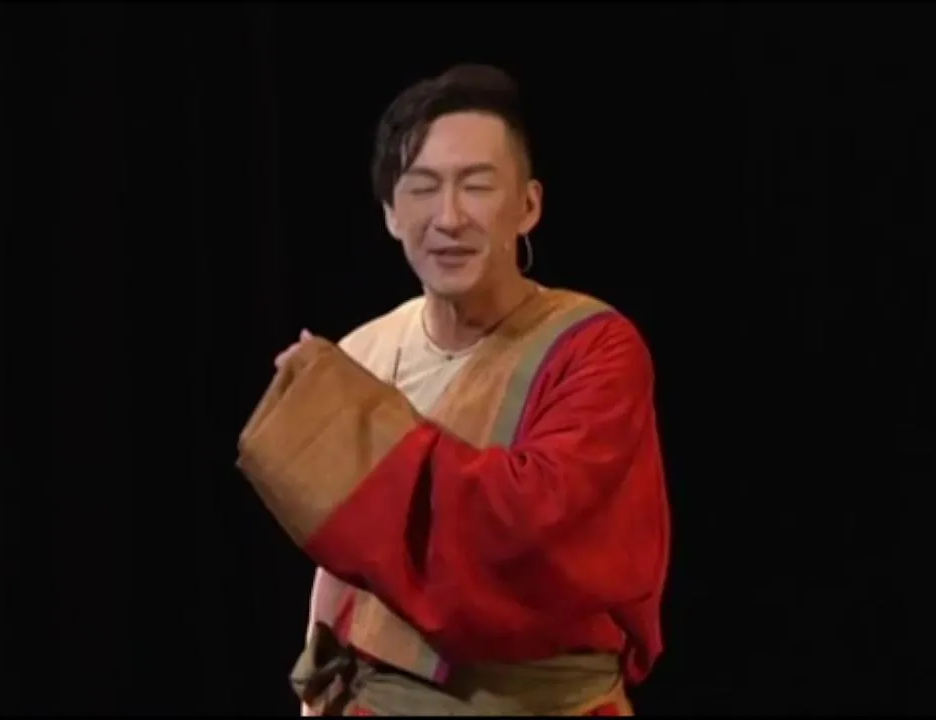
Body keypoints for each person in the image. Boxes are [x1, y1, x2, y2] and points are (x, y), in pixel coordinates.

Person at [237, 64, 671, 716]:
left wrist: (348, 428)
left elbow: (527, 528)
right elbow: (345, 568)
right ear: (391, 213)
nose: (449, 217)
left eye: (477, 186)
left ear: (528, 206)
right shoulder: (363, 353)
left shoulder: (593, 349)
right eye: (422, 188)